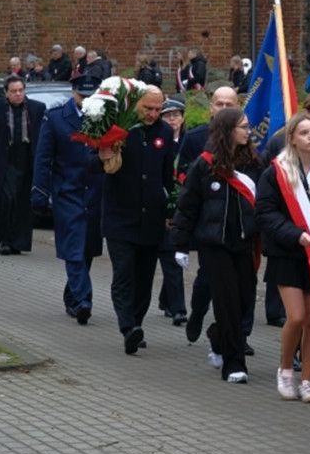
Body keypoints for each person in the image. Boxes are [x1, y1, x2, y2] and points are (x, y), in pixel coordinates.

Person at [170, 108, 261, 383]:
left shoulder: (255, 165)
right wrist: (180, 244)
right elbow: (187, 206)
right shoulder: (205, 165)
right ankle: (234, 365)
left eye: (248, 126)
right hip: (214, 244)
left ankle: (217, 335)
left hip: (244, 243)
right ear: (227, 130)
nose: (248, 131)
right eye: (242, 127)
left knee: (245, 301)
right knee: (228, 303)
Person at [255, 112, 310, 400]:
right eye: (304, 133)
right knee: (297, 316)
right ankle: (286, 370)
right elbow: (265, 212)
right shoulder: (276, 172)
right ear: (291, 138)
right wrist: (294, 234)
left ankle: (307, 380)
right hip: (287, 253)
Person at [99, 85, 175, 355]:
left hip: (151, 219)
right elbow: (90, 163)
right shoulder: (118, 127)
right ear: (135, 105)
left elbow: (168, 177)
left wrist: (169, 211)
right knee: (124, 273)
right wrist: (102, 156)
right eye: (148, 109)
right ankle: (127, 325)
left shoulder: (165, 134)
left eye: (158, 109)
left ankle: (137, 325)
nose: (154, 114)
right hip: (120, 217)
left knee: (144, 277)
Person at [32, 76, 105, 325]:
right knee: (74, 246)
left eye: (90, 97)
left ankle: (72, 297)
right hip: (67, 191)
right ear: (73, 93)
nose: (86, 101)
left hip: (95, 192)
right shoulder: (55, 118)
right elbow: (43, 158)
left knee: (86, 250)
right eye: (82, 97)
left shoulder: (105, 117)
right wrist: (39, 192)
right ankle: (84, 299)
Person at [179, 87, 246, 343]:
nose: (224, 108)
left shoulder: (245, 141)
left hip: (236, 222)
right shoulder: (195, 138)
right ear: (211, 107)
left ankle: (238, 333)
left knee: (239, 285)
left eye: (229, 103)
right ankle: (198, 312)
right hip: (208, 222)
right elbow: (183, 175)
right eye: (219, 103)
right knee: (207, 277)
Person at [0, 75, 47, 255]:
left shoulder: (36, 108)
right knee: (5, 199)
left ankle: (19, 242)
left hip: (26, 159)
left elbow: (41, 137)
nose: (18, 94)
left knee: (23, 202)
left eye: (21, 91)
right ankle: (4, 240)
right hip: (3, 161)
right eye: (14, 91)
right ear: (5, 93)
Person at [155, 98, 187, 326]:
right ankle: (178, 308)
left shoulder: (189, 141)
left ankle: (168, 300)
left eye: (176, 115)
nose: (173, 119)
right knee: (170, 254)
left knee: (173, 254)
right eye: (168, 115)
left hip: (185, 207)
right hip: (162, 206)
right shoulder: (159, 140)